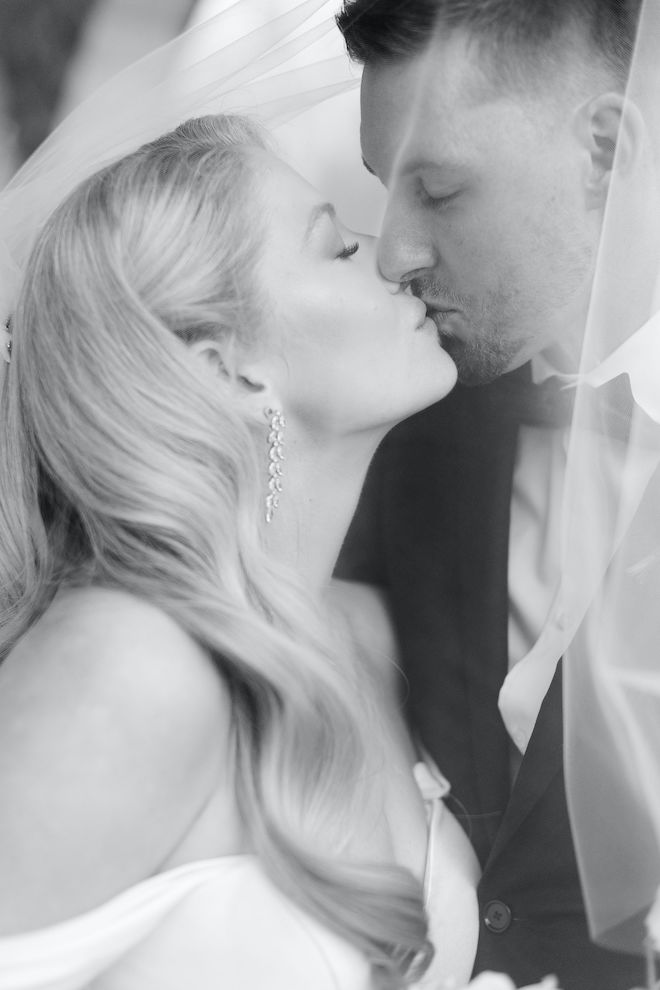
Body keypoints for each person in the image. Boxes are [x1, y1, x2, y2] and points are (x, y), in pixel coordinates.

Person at [0, 112, 488, 990]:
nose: (392, 258)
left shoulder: (371, 634)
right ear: (228, 369)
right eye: (337, 246)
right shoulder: (135, 666)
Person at [333, 1, 648, 988]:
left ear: (604, 151)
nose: (394, 254)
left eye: (438, 189)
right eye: (387, 190)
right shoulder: (404, 421)